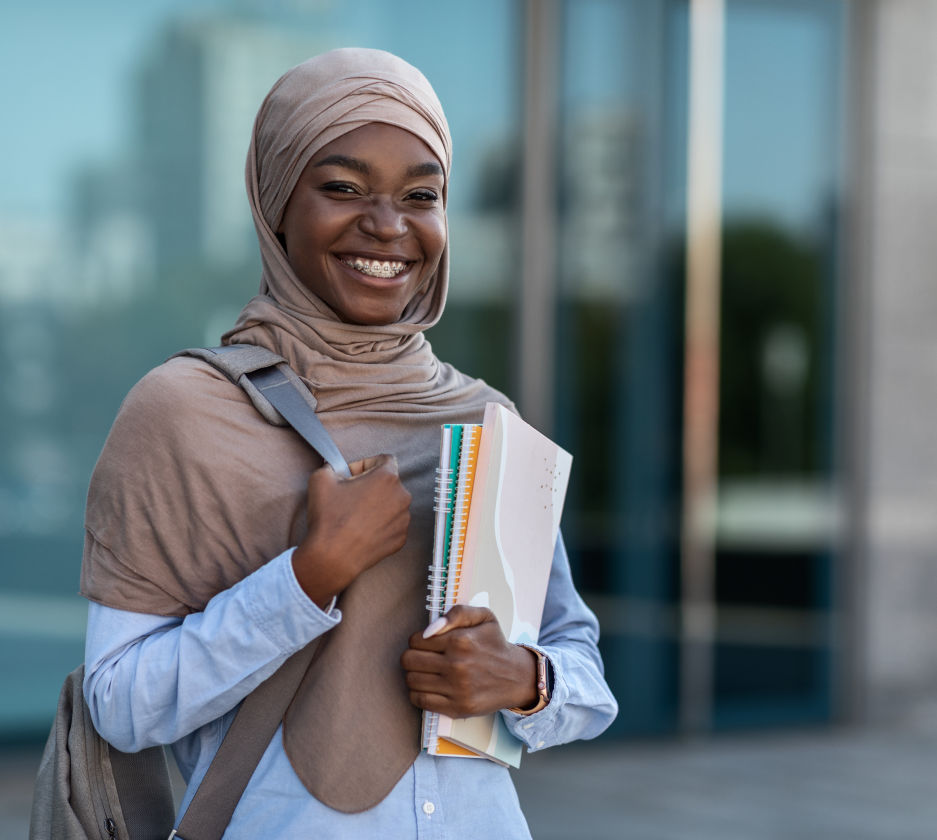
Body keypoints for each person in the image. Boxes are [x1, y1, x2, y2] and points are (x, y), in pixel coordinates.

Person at [79, 48, 617, 837]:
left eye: (421, 195)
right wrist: (303, 580)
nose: (389, 225)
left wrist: (524, 680)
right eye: (342, 188)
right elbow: (119, 704)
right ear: (276, 204)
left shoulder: (482, 419)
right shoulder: (186, 412)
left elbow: (585, 673)